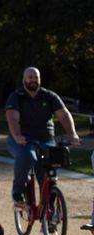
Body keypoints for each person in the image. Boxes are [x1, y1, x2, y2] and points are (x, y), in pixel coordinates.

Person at [5, 66, 79, 206]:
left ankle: (49, 211)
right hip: (23, 139)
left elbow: (63, 115)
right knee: (28, 155)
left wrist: (72, 134)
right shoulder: (16, 97)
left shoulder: (49, 96)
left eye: (36, 77)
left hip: (46, 140)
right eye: (30, 77)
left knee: (49, 172)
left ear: (40, 79)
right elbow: (12, 118)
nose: (33, 80)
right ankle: (18, 192)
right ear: (24, 80)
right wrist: (17, 135)